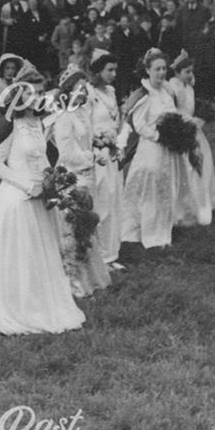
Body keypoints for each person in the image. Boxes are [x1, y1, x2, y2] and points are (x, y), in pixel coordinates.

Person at [0, 71, 86, 335]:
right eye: (30, 93)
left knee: (42, 253)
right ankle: (20, 306)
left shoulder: (38, 124)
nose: (36, 97)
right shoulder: (11, 127)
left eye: (38, 93)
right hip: (16, 198)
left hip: (41, 197)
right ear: (19, 98)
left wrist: (52, 181)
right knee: (22, 254)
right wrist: (27, 185)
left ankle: (42, 303)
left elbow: (42, 158)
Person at [121, 49, 197, 249]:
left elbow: (173, 114)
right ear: (147, 70)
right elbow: (138, 124)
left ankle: (163, 228)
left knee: (166, 187)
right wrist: (158, 136)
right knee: (151, 189)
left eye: (164, 68)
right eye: (157, 69)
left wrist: (177, 132)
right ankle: (150, 233)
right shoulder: (144, 94)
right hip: (152, 148)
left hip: (168, 149)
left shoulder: (166, 91)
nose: (162, 73)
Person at [50, 66, 111, 297]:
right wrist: (91, 157)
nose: (84, 91)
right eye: (79, 88)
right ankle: (73, 282)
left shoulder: (82, 113)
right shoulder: (64, 118)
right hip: (71, 177)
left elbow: (85, 140)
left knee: (86, 226)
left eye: (84, 87)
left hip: (86, 175)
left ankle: (90, 277)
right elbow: (66, 153)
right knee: (73, 229)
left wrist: (98, 146)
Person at [167, 51, 215, 226]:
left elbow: (191, 107)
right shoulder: (173, 86)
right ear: (177, 72)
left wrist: (200, 118)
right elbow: (171, 111)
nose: (190, 75)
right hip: (181, 131)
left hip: (192, 130)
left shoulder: (189, 87)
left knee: (202, 164)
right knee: (187, 168)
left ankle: (201, 203)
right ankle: (184, 208)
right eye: (187, 72)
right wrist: (187, 122)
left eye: (191, 71)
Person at [87, 50, 125, 269]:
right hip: (96, 155)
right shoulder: (88, 93)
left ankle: (111, 254)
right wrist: (98, 143)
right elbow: (85, 126)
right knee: (100, 203)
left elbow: (116, 121)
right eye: (109, 69)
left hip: (111, 153)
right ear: (98, 71)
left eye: (115, 70)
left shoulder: (110, 91)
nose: (113, 74)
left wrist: (115, 143)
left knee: (113, 201)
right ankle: (99, 256)